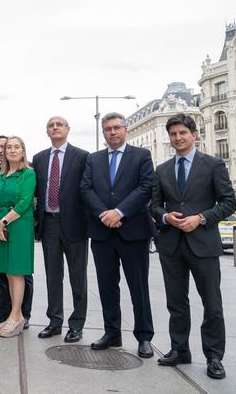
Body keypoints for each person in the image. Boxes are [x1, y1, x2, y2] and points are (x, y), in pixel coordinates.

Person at [151, 113, 236, 380]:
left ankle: (214, 356)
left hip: (203, 244)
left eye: (182, 133)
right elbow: (153, 206)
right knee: (176, 303)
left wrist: (200, 218)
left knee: (212, 303)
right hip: (171, 245)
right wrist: (165, 217)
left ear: (194, 135)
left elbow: (228, 202)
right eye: (173, 134)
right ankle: (180, 350)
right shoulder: (162, 169)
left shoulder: (212, 165)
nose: (177, 138)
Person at [80, 112, 154, 358]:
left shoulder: (141, 156)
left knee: (138, 287)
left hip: (133, 231)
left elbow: (145, 188)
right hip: (102, 233)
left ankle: (144, 337)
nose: (112, 132)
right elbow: (86, 188)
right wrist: (104, 213)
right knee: (107, 286)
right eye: (107, 129)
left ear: (126, 130)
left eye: (116, 128)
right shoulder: (94, 159)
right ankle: (112, 333)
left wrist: (120, 212)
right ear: (103, 133)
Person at [32, 117, 89, 343]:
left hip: (75, 224)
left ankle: (77, 324)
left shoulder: (83, 157)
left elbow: (87, 189)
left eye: (59, 125)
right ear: (47, 132)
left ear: (68, 129)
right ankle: (55, 321)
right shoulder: (39, 158)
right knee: (53, 275)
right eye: (50, 125)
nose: (55, 127)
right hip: (49, 223)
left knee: (78, 276)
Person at [0, 136, 36, 338]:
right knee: (8, 272)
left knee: (17, 272)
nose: (12, 150)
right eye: (9, 147)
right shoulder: (1, 175)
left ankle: (17, 317)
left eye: (17, 147)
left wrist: (3, 222)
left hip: (19, 226)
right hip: (1, 227)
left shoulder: (28, 174)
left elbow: (24, 203)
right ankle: (12, 315)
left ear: (23, 150)